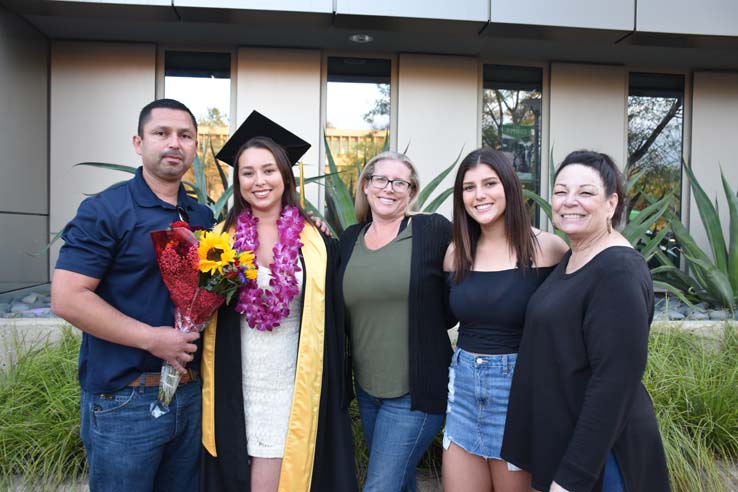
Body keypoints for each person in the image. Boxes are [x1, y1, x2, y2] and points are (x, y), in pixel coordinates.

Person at [51, 98, 215, 492]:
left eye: (185, 136)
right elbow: (68, 297)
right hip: (124, 401)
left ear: (194, 147)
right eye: (162, 133)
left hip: (189, 395)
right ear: (138, 143)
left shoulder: (202, 218)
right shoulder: (106, 211)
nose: (174, 143)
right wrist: (153, 340)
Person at [200, 111, 358, 492]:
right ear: (237, 181)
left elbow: (339, 314)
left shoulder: (316, 242)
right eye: (248, 172)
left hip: (296, 380)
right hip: (234, 379)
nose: (259, 181)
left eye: (269, 170)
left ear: (286, 176)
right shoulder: (219, 239)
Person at [501, 150, 670, 492]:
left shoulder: (618, 271)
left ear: (611, 204)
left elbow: (614, 383)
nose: (569, 201)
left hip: (602, 459)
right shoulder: (575, 257)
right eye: (561, 191)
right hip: (568, 443)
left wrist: (572, 477)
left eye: (586, 193)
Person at [442, 148, 568, 492]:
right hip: (463, 391)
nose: (479, 195)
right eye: (469, 188)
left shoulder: (548, 249)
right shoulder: (457, 253)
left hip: (518, 392)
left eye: (489, 183)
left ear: (509, 187)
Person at [336, 151, 454, 492]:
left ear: (411, 190)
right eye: (380, 179)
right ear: (367, 187)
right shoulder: (349, 240)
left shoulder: (431, 230)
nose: (389, 188)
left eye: (399, 182)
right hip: (368, 390)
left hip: (415, 391)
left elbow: (464, 280)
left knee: (380, 486)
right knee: (398, 482)